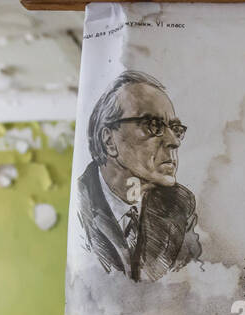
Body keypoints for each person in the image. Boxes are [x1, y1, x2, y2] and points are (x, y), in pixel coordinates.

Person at [75, 70, 200, 281]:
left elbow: (186, 286)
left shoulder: (179, 204)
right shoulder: (79, 203)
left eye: (175, 128)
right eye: (153, 126)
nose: (174, 141)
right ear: (109, 141)